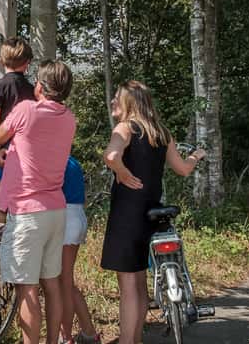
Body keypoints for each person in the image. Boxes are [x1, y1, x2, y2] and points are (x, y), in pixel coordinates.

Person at [100, 81, 206, 344]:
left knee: (128, 287)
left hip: (127, 212)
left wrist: (123, 173)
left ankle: (127, 341)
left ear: (129, 102)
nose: (113, 102)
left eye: (117, 98)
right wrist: (196, 157)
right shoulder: (161, 132)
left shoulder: (125, 128)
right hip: (150, 212)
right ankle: (135, 339)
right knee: (139, 283)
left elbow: (111, 155)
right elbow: (182, 169)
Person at [0, 60, 76, 344]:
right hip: (56, 209)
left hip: (27, 213)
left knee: (27, 290)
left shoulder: (26, 110)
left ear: (39, 86)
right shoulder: (69, 118)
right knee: (51, 284)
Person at [0, 36, 35, 202]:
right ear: (27, 62)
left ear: (1, 61)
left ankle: (9, 218)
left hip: (7, 146)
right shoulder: (32, 89)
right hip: (26, 145)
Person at [59, 154, 100, 344]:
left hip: (63, 219)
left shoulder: (51, 158)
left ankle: (66, 337)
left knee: (63, 283)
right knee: (66, 281)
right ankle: (89, 332)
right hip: (77, 216)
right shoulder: (72, 160)